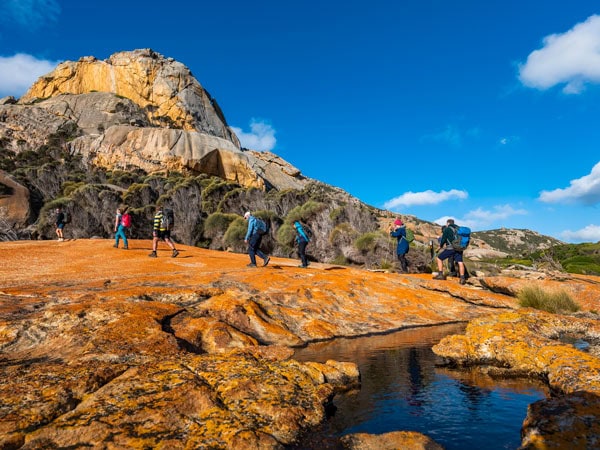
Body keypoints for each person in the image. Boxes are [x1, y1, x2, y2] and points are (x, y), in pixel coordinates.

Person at [434, 218, 466, 284]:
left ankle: (440, 275)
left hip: (451, 248)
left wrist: (440, 247)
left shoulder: (447, 229)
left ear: (448, 223)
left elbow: (443, 240)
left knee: (439, 258)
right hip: (459, 248)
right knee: (460, 262)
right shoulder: (459, 229)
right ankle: (462, 278)